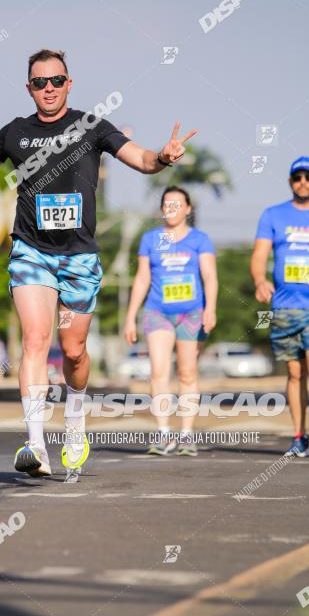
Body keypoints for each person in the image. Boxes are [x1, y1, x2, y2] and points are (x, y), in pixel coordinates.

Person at [0, 49, 197, 478]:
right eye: (39, 82)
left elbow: (141, 160)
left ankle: (74, 420)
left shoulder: (92, 127)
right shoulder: (15, 132)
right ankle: (35, 443)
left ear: (70, 83)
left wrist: (163, 156)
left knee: (73, 350)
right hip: (31, 251)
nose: (48, 89)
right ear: (28, 87)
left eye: (56, 81)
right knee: (34, 340)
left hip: (79, 256)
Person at [124, 187, 217, 455]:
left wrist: (210, 308)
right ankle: (164, 434)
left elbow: (209, 276)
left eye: (177, 204)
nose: (172, 208)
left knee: (187, 373)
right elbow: (142, 278)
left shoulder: (200, 239)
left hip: (191, 314)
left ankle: (187, 435)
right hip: (157, 312)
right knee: (158, 371)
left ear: (188, 209)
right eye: (167, 203)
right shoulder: (150, 239)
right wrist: (131, 316)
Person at [251, 156, 309, 456]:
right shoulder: (273, 215)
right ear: (291, 181)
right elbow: (260, 255)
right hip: (285, 308)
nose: (303, 181)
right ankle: (300, 436)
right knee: (294, 372)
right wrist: (260, 280)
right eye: (298, 177)